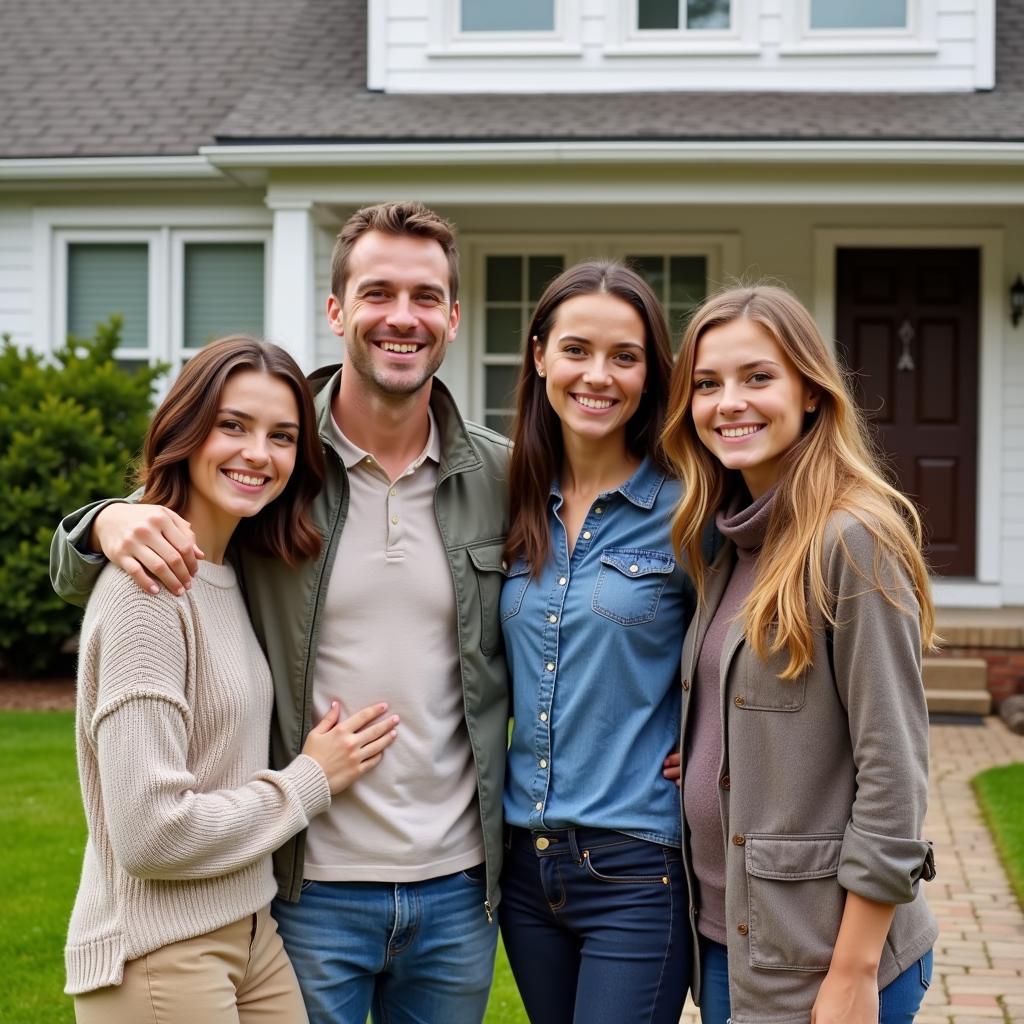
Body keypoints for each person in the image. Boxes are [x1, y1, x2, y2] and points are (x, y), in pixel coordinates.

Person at [51, 202, 510, 1024]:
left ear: (452, 316)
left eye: (424, 296)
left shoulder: (502, 477)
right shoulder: (289, 469)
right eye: (376, 293)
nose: (400, 317)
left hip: (456, 890)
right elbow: (145, 550)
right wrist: (101, 522)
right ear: (336, 311)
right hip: (305, 886)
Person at [67, 336, 403, 1022]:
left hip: (250, 934)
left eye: (282, 436)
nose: (259, 453)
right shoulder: (148, 594)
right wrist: (310, 778)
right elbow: (150, 833)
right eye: (233, 426)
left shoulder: (226, 568)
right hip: (161, 953)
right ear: (185, 431)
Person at [660, 284, 938, 1024]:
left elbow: (894, 770)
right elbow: (779, 706)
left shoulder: (851, 538)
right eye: (707, 384)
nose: (730, 403)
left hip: (824, 958)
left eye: (758, 378)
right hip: (734, 945)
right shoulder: (729, 540)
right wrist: (722, 751)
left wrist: (852, 971)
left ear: (810, 393)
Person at [498, 261, 694, 1024]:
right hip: (526, 867)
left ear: (650, 374)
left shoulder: (687, 507)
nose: (598, 376)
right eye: (577, 349)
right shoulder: (509, 495)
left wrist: (718, 743)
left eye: (625, 356)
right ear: (540, 354)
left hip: (638, 865)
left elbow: (753, 645)